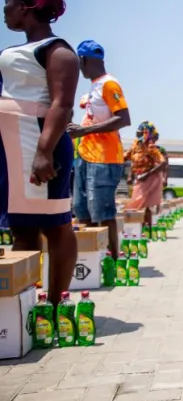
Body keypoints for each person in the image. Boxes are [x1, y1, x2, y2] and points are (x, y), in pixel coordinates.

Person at [0, 0, 78, 310]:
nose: (5, 8)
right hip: (13, 148)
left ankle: (57, 303)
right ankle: (25, 306)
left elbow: (62, 106)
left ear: (27, 5)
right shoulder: (16, 51)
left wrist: (44, 152)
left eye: (10, 0)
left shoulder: (57, 50)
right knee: (22, 226)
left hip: (37, 146)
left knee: (55, 225)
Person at [68, 40, 131, 260]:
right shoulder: (94, 85)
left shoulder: (109, 84)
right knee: (81, 210)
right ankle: (87, 260)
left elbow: (123, 118)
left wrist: (84, 131)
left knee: (102, 212)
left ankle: (113, 260)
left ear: (83, 60)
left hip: (104, 159)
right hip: (85, 156)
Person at [124, 122, 165, 229]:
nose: (137, 135)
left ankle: (145, 229)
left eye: (140, 133)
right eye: (137, 133)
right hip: (139, 178)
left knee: (142, 205)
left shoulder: (151, 147)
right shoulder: (135, 145)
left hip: (150, 178)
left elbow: (163, 163)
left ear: (146, 133)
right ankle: (142, 229)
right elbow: (126, 158)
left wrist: (146, 174)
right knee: (139, 204)